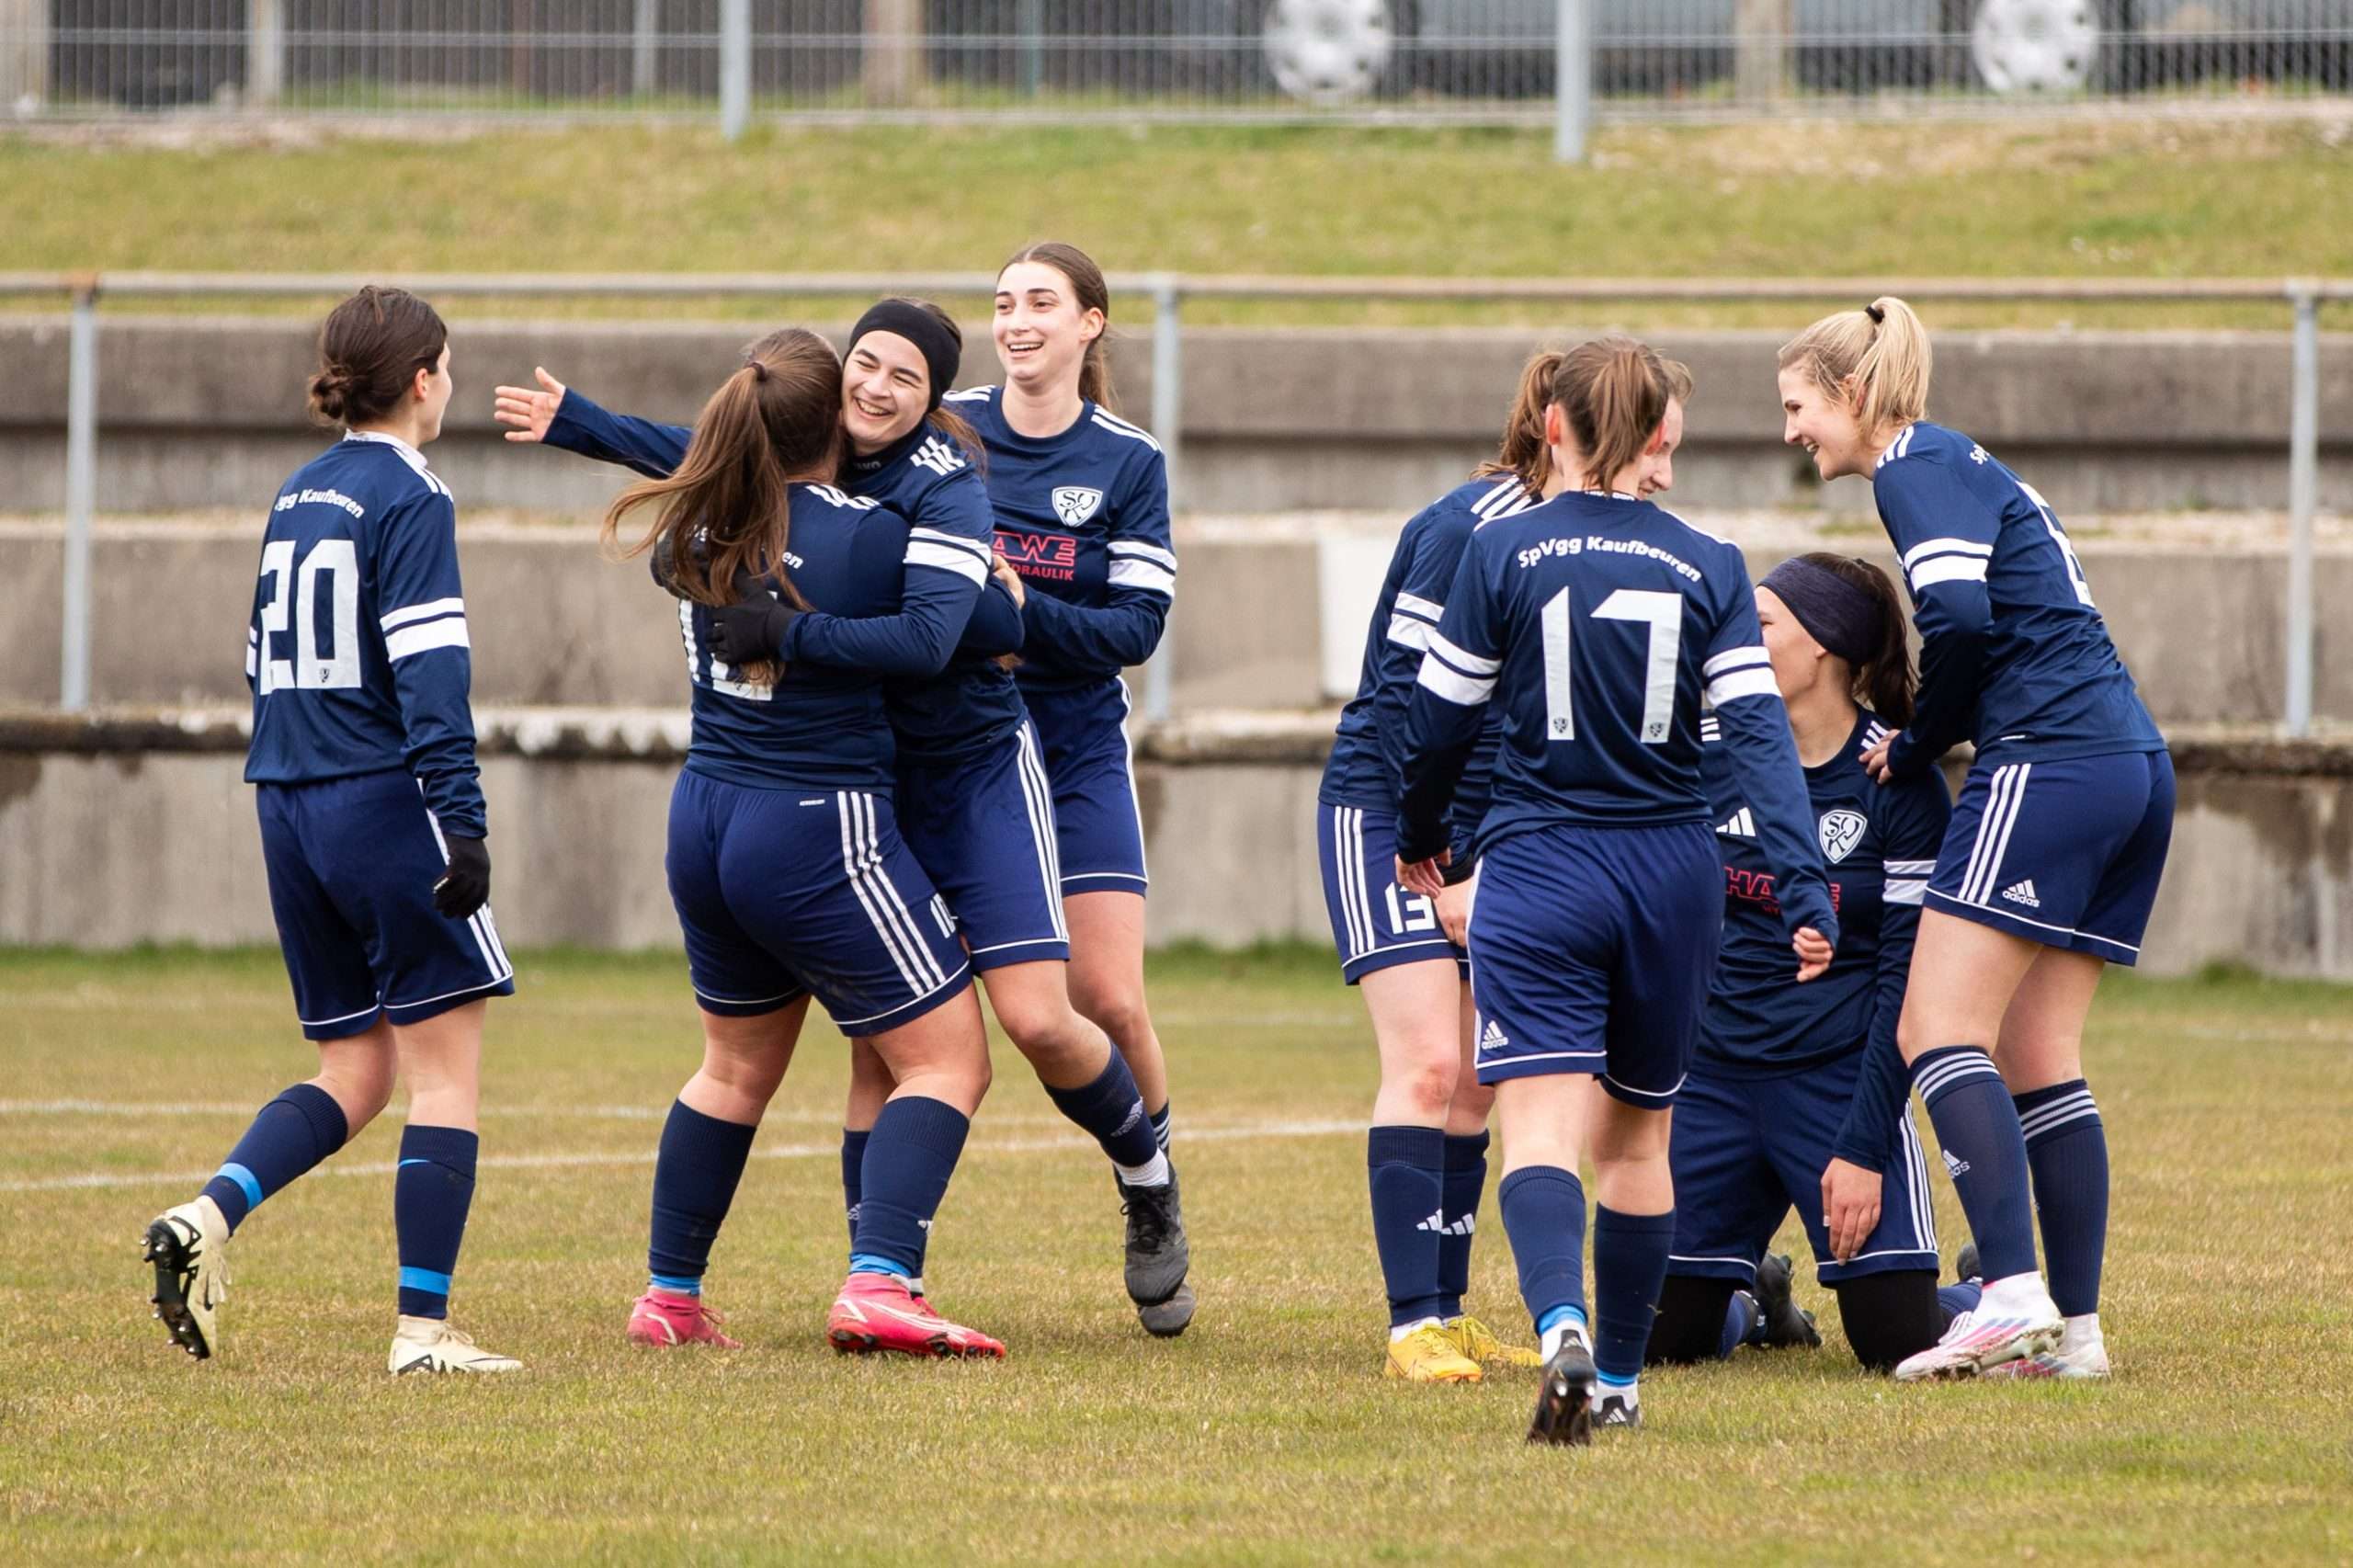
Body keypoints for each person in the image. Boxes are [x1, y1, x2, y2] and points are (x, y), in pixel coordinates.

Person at [494, 301, 1190, 1340]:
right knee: (890, 1047)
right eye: (865, 363)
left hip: (973, 775)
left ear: (933, 399)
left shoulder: (945, 483)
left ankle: (1146, 1173)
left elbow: (956, 630)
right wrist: (583, 424)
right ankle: (877, 1273)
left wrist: (796, 625)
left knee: (1039, 1016)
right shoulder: (803, 473)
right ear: (833, 388)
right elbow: (715, 442)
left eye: (904, 377)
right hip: (867, 786)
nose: (877, 387)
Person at [1396, 335, 1837, 1443]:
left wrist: (1424, 838)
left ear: (1552, 428)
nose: (1670, 471)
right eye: (1666, 447)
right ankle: (1627, 1380)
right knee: (1638, 1141)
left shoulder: (1498, 553)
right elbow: (1757, 739)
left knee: (1537, 1131)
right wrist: (1803, 884)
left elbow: (1438, 721)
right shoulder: (1711, 561)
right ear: (1643, 438)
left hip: (1539, 865)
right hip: (1670, 870)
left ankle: (1560, 1331)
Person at [596, 326, 1010, 1358]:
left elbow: (718, 518)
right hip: (817, 823)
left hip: (705, 814)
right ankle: (880, 1281)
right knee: (949, 1061)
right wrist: (999, 590)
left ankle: (670, 1293)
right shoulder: (868, 535)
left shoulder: (693, 527)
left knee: (731, 1068)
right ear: (833, 418)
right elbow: (953, 634)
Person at [1777, 298, 2169, 1382]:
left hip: (2049, 759)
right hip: (2129, 762)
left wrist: (1911, 745)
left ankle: (2006, 1295)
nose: (1793, 429)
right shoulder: (1958, 460)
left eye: (1799, 405)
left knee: (1932, 1022)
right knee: (2037, 1055)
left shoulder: (1913, 463)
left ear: (1852, 396)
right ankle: (2073, 1334)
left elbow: (1954, 617)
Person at [142, 285, 520, 1376]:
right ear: (420, 378)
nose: (448, 382)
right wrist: (463, 819)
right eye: (445, 365)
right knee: (445, 1069)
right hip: (377, 796)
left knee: (354, 1063)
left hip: (286, 795)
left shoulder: (300, 488)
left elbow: (257, 659)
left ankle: (207, 1216)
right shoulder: (412, 494)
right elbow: (431, 671)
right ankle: (422, 1331)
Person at [1312, 349, 1692, 1385]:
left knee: (1483, 1081)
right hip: (1390, 814)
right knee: (1432, 1062)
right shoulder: (1464, 526)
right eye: (1653, 434)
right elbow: (1407, 706)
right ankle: (1411, 1325)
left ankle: (1450, 1308)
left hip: (1502, 838)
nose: (1663, 460)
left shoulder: (1614, 543)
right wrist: (1431, 854)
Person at [1643, 552, 1988, 1375]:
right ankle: (1751, 1295)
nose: (1737, 639)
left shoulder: (1896, 781)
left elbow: (1907, 978)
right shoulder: (1702, 753)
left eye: (1761, 624)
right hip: (1713, 1078)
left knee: (1897, 1344)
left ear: (1827, 649)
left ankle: (1988, 1293)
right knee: (1660, 1341)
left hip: (1834, 1082)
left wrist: (1865, 1145)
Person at [944, 242, 1194, 1321]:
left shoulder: (1129, 460)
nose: (1016, 320)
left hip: (1078, 752)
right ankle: (881, 1265)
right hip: (954, 751)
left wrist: (1011, 609)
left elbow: (1134, 629)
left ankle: (1152, 1184)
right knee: (922, 1024)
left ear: (1091, 322)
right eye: (1002, 303)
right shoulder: (941, 427)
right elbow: (761, 443)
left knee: (1108, 997)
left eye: (1040, 302)